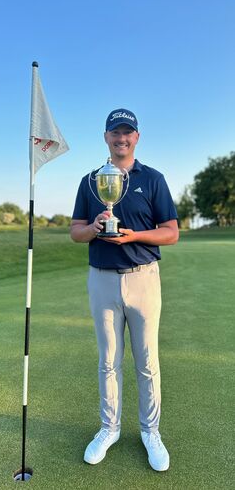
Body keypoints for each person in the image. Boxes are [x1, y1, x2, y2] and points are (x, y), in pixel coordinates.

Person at [70, 108, 179, 471]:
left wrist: (135, 235)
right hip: (102, 277)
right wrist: (97, 225)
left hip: (143, 277)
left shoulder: (154, 178)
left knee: (147, 362)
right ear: (105, 137)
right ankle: (109, 428)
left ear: (136, 137)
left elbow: (171, 232)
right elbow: (76, 232)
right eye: (115, 133)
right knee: (108, 362)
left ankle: (151, 432)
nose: (122, 138)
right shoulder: (91, 181)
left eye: (127, 133)